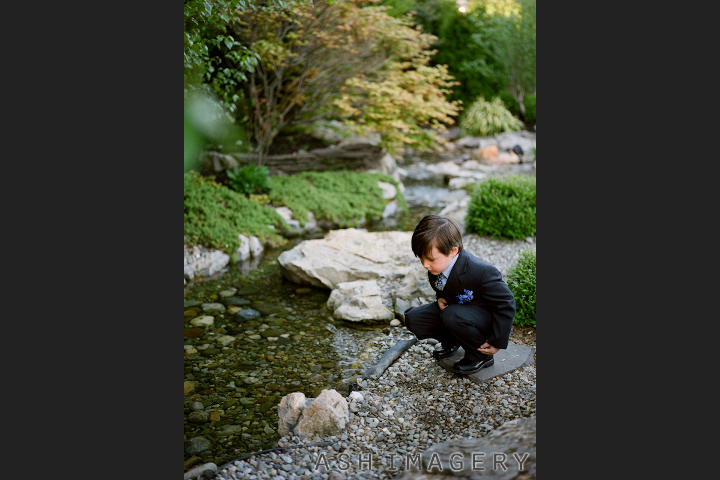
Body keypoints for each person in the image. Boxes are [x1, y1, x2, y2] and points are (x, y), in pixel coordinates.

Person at [404, 215, 516, 375]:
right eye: (421, 258)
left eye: (430, 259)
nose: (425, 264)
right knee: (414, 318)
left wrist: (497, 340)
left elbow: (506, 302)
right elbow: (445, 286)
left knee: (451, 315)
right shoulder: (437, 266)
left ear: (453, 251)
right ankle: (452, 341)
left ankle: (480, 356)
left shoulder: (482, 271)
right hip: (456, 311)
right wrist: (440, 299)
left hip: (482, 319)